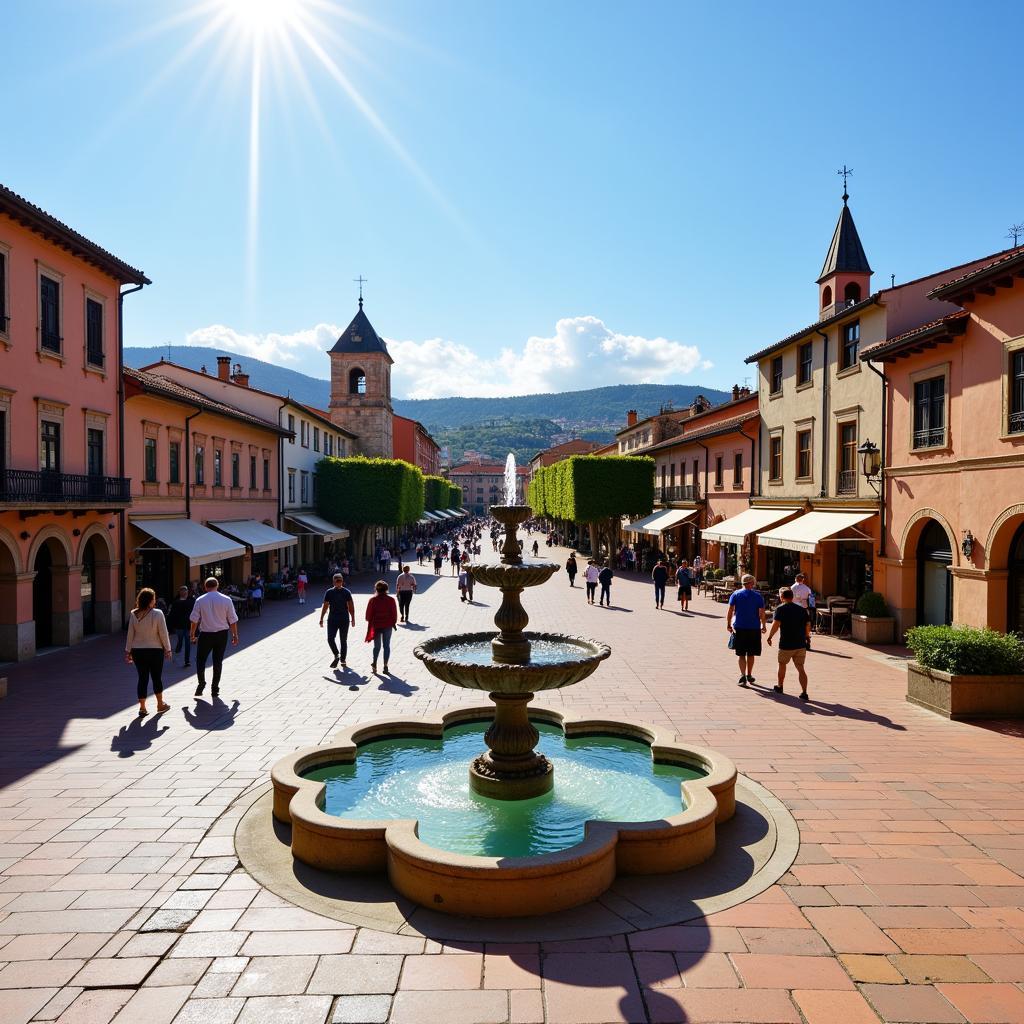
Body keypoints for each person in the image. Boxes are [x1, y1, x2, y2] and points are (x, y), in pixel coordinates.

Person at [189, 577, 240, 699]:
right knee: (218, 662)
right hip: (221, 634)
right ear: (217, 586)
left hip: (206, 635)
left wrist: (192, 634)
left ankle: (201, 684)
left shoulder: (200, 600)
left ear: (205, 587)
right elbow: (232, 620)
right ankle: (215, 689)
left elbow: (194, 620)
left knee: (200, 661)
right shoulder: (226, 600)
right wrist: (235, 635)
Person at [125, 588, 172, 717]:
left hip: (138, 651)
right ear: (151, 600)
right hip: (155, 650)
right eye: (154, 598)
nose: (155, 601)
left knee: (142, 678)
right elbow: (163, 632)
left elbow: (130, 634)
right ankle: (160, 704)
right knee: (156, 677)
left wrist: (128, 651)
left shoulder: (134, 614)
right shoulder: (158, 613)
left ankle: (142, 707)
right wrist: (168, 648)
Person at [767, 587, 811, 701]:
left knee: (782, 664)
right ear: (792, 597)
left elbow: (776, 625)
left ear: (782, 598)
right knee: (801, 668)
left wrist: (770, 636)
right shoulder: (802, 610)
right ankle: (804, 692)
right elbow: (807, 625)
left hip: (786, 643)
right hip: (800, 643)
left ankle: (780, 686)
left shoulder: (780, 609)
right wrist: (807, 636)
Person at [727, 574, 767, 688]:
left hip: (740, 627)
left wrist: (728, 624)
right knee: (751, 653)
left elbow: (730, 611)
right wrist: (763, 625)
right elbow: (762, 613)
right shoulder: (758, 596)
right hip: (754, 628)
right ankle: (749, 674)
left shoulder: (736, 594)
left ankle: (742, 675)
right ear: (752, 583)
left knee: (741, 654)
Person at [319, 573, 356, 668]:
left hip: (344, 619)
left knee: (343, 640)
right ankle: (336, 655)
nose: (338, 582)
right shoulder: (329, 592)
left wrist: (353, 619)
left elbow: (351, 606)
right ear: (333, 582)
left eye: (339, 580)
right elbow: (325, 606)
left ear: (342, 581)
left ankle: (343, 659)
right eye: (336, 581)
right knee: (330, 639)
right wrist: (321, 618)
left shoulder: (347, 592)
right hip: (332, 619)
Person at [365, 580, 398, 674]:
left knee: (377, 646)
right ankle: (385, 666)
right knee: (386, 646)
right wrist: (393, 622)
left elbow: (368, 616)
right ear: (386, 589)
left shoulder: (372, 600)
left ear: (376, 589)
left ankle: (374, 663)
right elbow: (394, 614)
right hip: (387, 625)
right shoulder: (391, 600)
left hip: (376, 625)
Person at [167, 585, 195, 666]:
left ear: (187, 592)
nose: (183, 592)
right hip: (179, 626)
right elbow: (171, 615)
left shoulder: (192, 601)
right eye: (182, 591)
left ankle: (187, 661)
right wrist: (169, 628)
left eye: (185, 590)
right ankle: (178, 649)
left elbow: (196, 612)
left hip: (188, 626)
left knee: (187, 643)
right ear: (179, 592)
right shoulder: (175, 602)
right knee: (180, 640)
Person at [791, 572, 814, 648]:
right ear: (803, 580)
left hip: (794, 608)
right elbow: (811, 599)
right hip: (804, 608)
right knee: (806, 623)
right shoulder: (807, 588)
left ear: (796, 579)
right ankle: (807, 637)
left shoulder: (792, 587)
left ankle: (795, 639)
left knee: (794, 624)